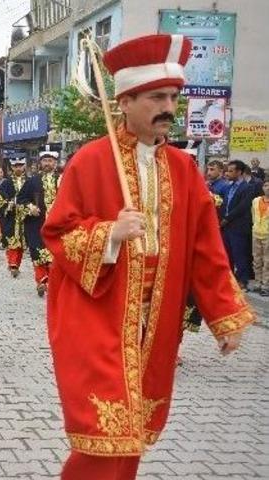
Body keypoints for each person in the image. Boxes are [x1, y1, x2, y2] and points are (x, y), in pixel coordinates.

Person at [42, 34, 254, 480]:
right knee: (104, 431)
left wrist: (225, 314)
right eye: (157, 97)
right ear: (126, 100)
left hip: (155, 318)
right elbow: (57, 233)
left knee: (133, 429)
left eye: (174, 97)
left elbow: (206, 248)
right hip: (97, 313)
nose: (169, 107)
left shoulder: (183, 169)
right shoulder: (89, 161)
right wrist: (109, 235)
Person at [17, 145, 61, 296]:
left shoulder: (64, 179)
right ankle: (42, 281)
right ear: (40, 163)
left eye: (50, 160)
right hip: (37, 224)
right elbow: (20, 199)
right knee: (38, 253)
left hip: (59, 225)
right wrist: (30, 207)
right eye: (45, 160)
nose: (47, 163)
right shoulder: (32, 182)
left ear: (55, 162)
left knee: (55, 254)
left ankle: (53, 282)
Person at [0, 158, 29, 277]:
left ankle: (16, 264)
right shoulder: (6, 183)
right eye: (15, 166)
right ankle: (12, 263)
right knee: (11, 240)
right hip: (11, 216)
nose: (18, 168)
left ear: (24, 166)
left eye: (20, 165)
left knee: (22, 243)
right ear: (12, 167)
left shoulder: (29, 181)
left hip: (25, 217)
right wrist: (8, 204)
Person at [220, 160, 253, 288]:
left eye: (231, 171)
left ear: (239, 172)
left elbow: (242, 207)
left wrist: (227, 218)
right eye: (227, 171)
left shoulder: (248, 188)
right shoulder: (229, 187)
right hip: (226, 226)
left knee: (239, 254)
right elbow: (225, 204)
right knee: (227, 254)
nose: (227, 173)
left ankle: (243, 280)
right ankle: (230, 279)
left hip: (238, 227)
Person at [251, 179, 269, 296]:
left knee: (267, 261)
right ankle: (257, 283)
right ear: (262, 187)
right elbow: (253, 214)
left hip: (268, 235)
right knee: (257, 260)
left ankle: (265, 285)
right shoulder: (256, 200)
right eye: (266, 185)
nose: (267, 187)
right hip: (256, 233)